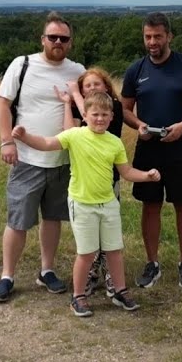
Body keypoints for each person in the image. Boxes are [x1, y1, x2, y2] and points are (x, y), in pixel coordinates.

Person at [13, 92, 160, 317]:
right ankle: (78, 296)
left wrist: (147, 175)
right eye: (95, 114)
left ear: (112, 117)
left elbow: (127, 172)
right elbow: (46, 143)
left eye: (104, 114)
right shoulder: (74, 135)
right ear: (85, 115)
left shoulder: (115, 142)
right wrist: (24, 136)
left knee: (114, 250)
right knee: (87, 253)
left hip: (108, 204)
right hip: (82, 204)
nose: (99, 119)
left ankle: (120, 291)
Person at [0, 12, 86, 303]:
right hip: (27, 158)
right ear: (43, 39)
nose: (58, 42)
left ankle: (47, 270)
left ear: (70, 43)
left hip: (62, 161)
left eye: (63, 38)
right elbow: (2, 104)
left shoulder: (77, 70)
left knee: (53, 218)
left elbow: (89, 106)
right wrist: (7, 142)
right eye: (52, 37)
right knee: (18, 220)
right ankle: (7, 276)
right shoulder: (23, 64)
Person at [121, 11, 182, 289]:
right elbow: (124, 109)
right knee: (150, 207)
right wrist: (139, 125)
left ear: (169, 36)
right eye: (148, 36)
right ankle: (152, 264)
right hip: (148, 148)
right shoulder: (135, 70)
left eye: (158, 36)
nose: (152, 42)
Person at [57, 67, 126, 297]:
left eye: (97, 84)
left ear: (106, 86)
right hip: (85, 187)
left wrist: (76, 91)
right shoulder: (88, 113)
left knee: (109, 239)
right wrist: (69, 103)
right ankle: (90, 276)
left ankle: (112, 281)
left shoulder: (112, 106)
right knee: (89, 242)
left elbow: (91, 116)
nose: (92, 88)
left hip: (109, 183)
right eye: (87, 86)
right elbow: (68, 132)